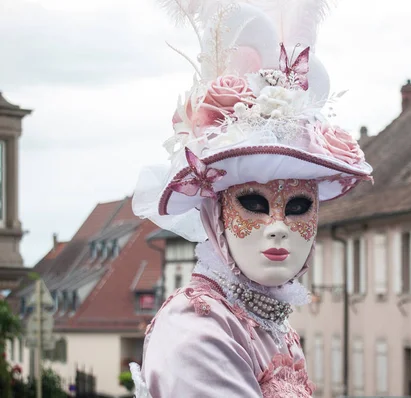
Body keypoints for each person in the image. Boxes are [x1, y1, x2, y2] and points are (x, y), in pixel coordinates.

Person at [128, 1, 373, 397]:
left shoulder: (268, 323)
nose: (277, 227)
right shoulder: (196, 329)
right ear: (215, 212)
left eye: (298, 206)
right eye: (254, 205)